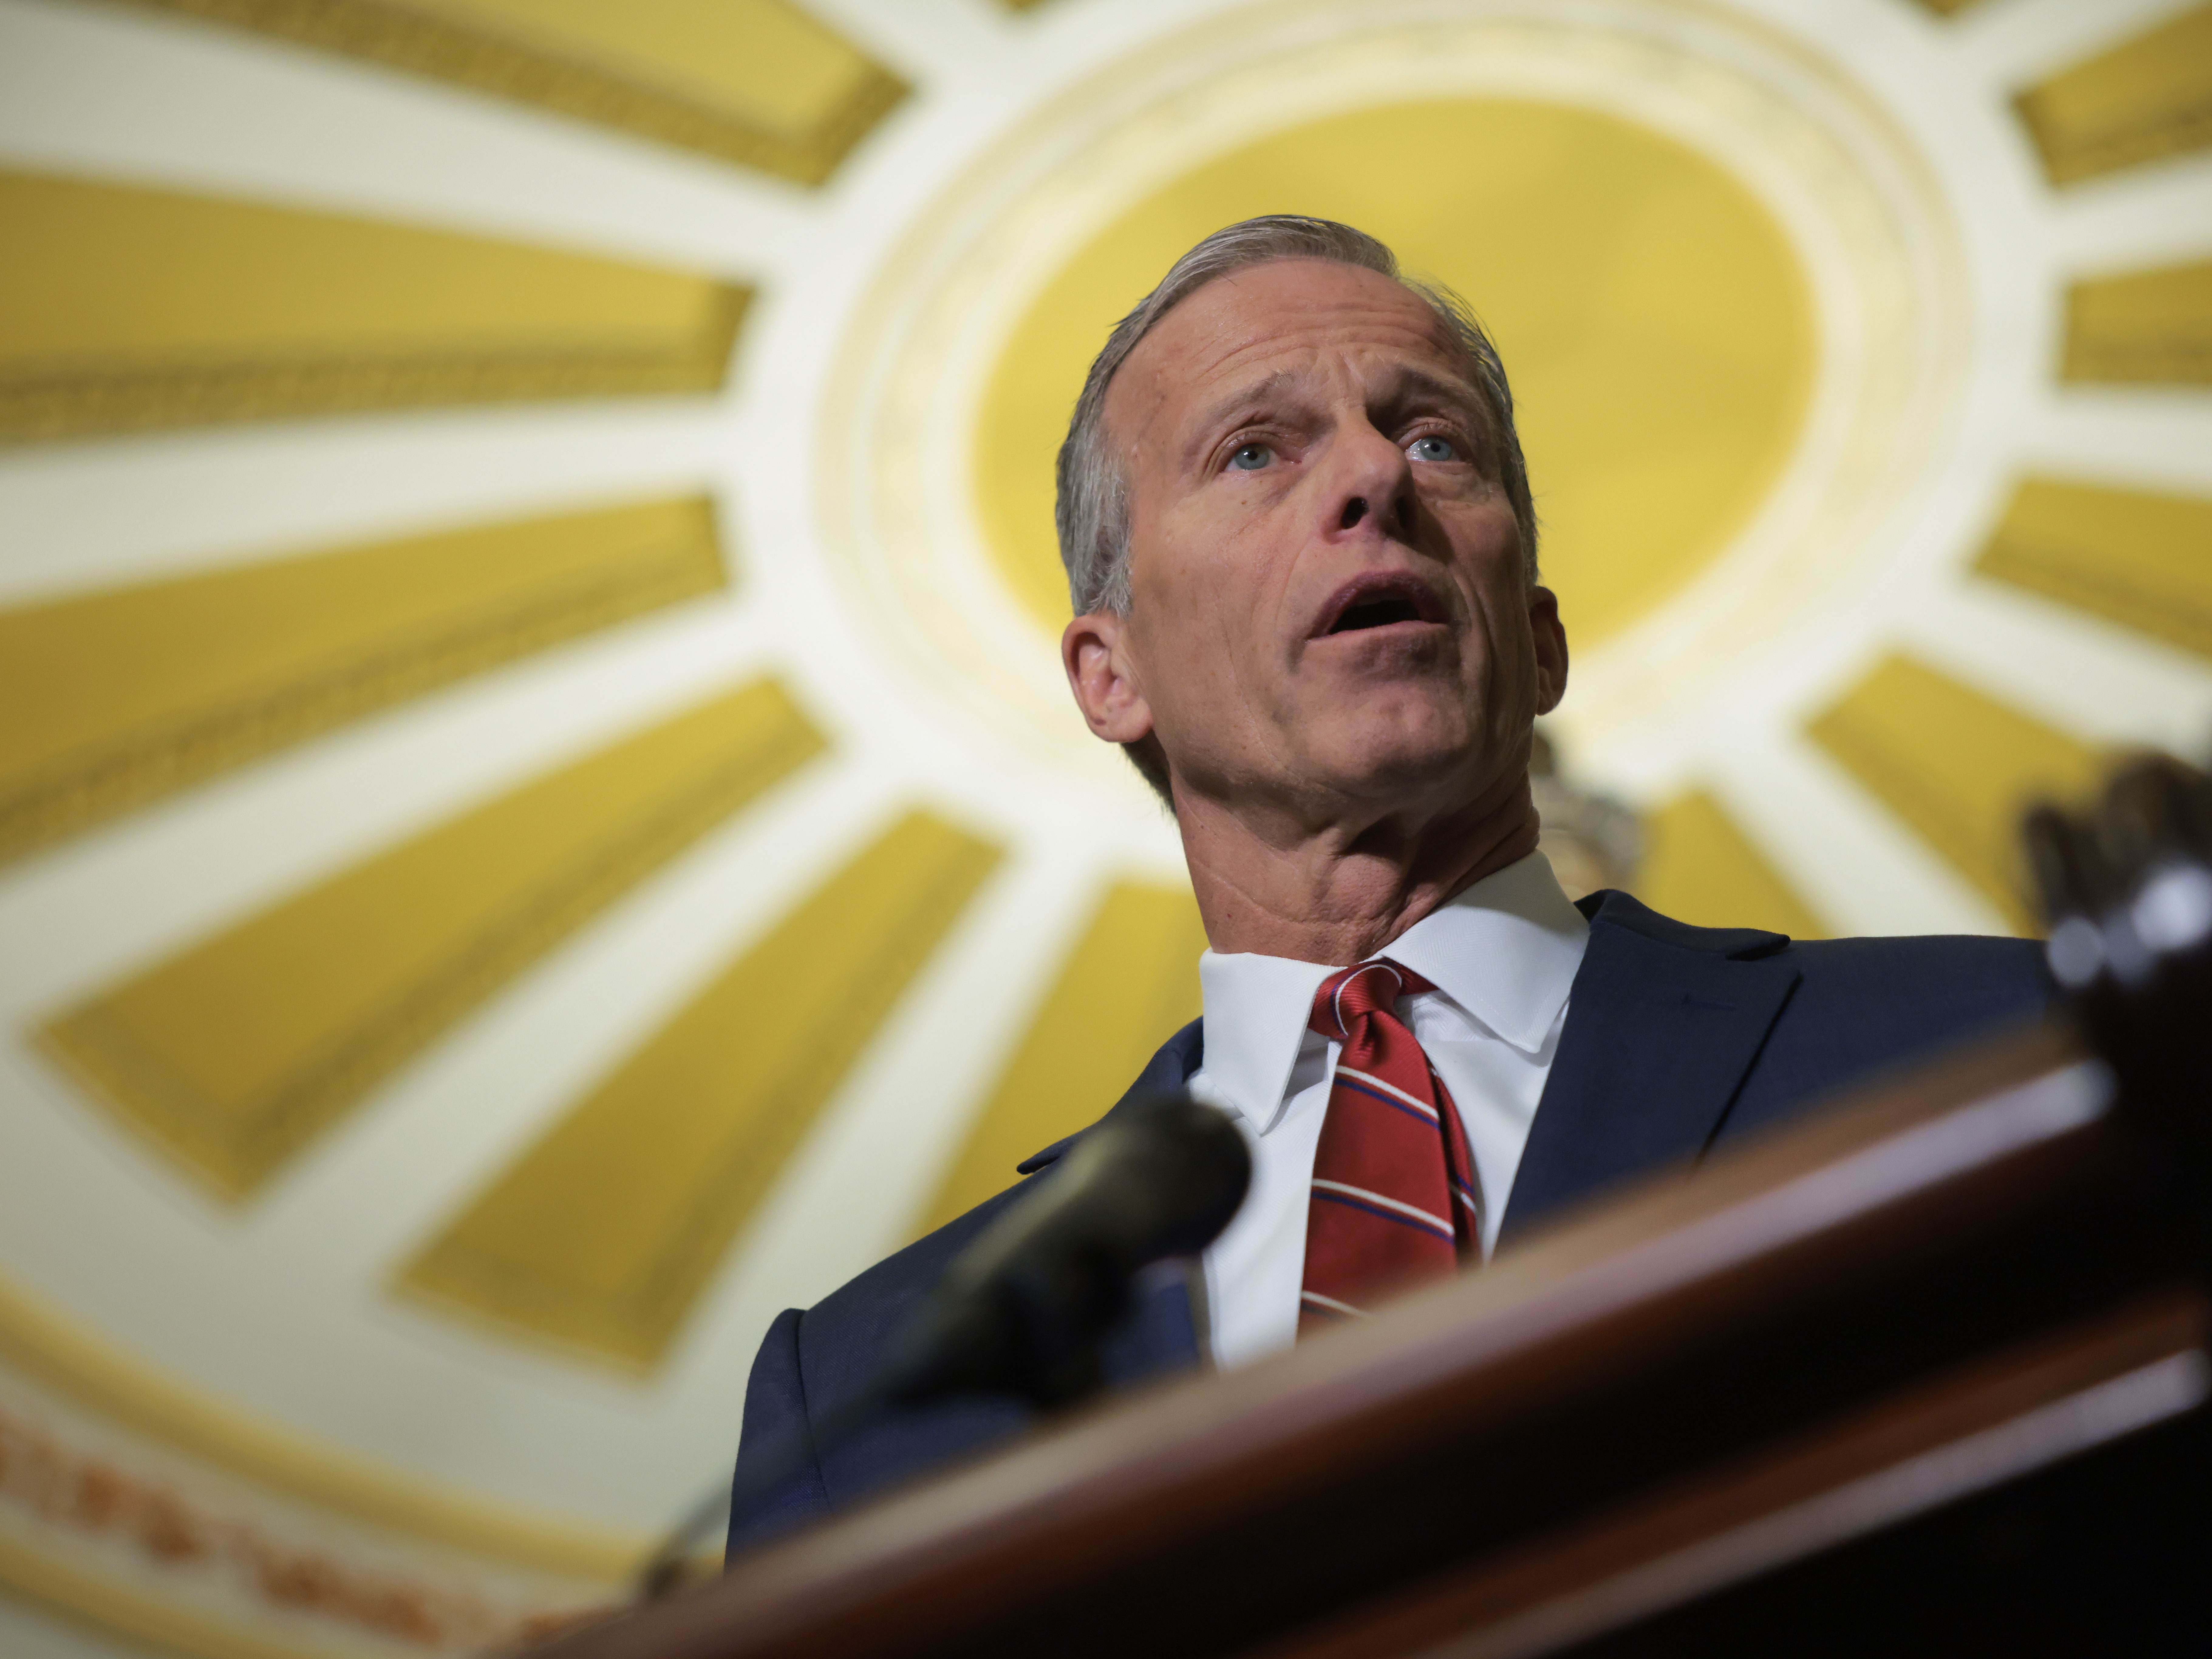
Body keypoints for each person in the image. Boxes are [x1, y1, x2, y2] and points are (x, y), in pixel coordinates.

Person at [725, 216, 2049, 1552]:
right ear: (1109, 677)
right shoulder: (859, 1400)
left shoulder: (1997, 1045)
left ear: (1537, 646)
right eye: (1254, 450)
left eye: (1434, 442)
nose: (1373, 474)